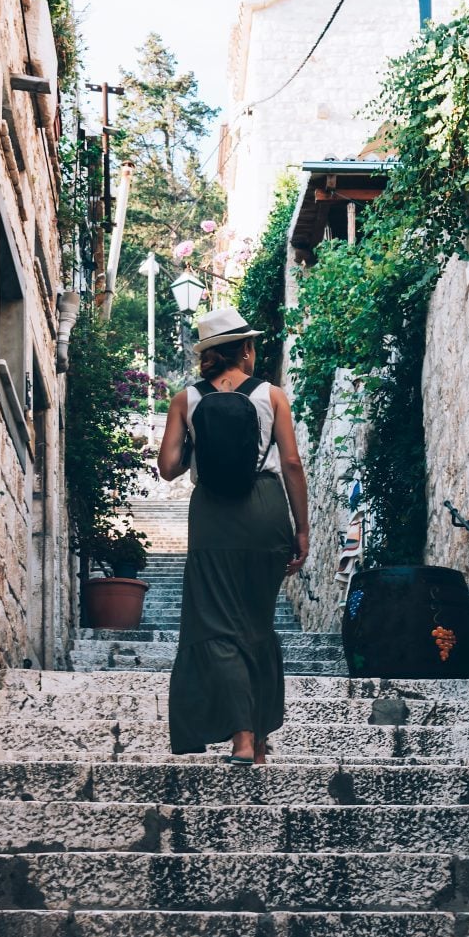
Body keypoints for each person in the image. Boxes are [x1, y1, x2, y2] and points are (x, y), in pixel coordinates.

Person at [157, 307, 309, 765]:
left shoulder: (186, 400)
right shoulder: (273, 395)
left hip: (212, 517)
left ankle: (243, 737)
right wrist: (302, 528)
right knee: (257, 624)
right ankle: (258, 740)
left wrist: (197, 448)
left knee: (216, 625)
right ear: (245, 348)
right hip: (265, 511)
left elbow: (167, 468)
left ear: (209, 354)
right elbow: (292, 465)